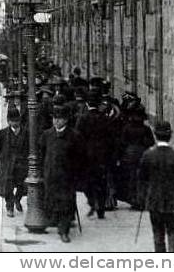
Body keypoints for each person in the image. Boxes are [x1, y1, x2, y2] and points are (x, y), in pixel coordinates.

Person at [137, 121, 174, 253]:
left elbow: (141, 179)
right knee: (173, 229)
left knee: (158, 232)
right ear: (170, 136)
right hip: (172, 200)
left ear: (156, 135)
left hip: (154, 200)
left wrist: (141, 199)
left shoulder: (148, 155)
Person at [39, 104, 85, 243]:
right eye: (54, 118)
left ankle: (64, 230)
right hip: (51, 175)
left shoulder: (74, 136)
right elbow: (41, 153)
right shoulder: (47, 135)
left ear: (66, 120)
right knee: (52, 201)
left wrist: (76, 174)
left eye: (59, 119)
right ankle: (55, 222)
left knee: (66, 203)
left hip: (67, 177)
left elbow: (81, 157)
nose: (56, 121)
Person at [75, 89, 110, 219]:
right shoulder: (104, 118)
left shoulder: (83, 119)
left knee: (87, 182)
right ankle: (101, 207)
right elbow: (111, 138)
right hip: (102, 155)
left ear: (87, 104)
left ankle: (91, 201)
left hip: (86, 156)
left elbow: (77, 137)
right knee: (101, 181)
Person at [117, 107, 155, 208]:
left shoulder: (127, 128)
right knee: (142, 178)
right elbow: (151, 142)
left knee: (131, 177)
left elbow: (122, 142)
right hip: (143, 154)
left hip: (129, 155)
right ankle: (141, 199)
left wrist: (121, 156)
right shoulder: (146, 129)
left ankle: (133, 199)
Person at [0, 109, 28, 216]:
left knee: (22, 185)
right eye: (13, 121)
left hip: (21, 164)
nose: (15, 123)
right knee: (8, 186)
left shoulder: (26, 133)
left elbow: (28, 148)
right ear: (8, 121)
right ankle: (9, 206)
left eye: (17, 120)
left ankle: (17, 199)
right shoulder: (3, 133)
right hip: (8, 164)